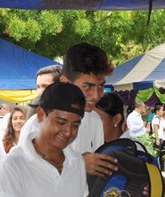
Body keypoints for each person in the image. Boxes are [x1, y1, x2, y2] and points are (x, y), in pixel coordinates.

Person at [18, 43, 117, 179]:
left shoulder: (94, 119)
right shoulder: (37, 125)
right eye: (88, 86)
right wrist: (79, 165)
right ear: (65, 82)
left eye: (100, 86)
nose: (96, 95)